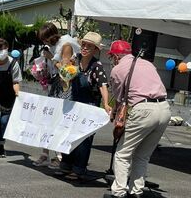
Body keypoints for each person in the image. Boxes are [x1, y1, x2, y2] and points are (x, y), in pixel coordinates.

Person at [107, 40, 171, 198]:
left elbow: (119, 98)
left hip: (143, 110)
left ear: (115, 56)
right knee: (142, 155)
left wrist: (114, 113)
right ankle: (136, 191)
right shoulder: (148, 64)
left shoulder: (117, 69)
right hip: (164, 108)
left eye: (111, 57)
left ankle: (119, 192)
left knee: (123, 153)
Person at [59, 31, 112, 178]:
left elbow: (103, 85)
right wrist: (65, 74)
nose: (85, 48)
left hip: (90, 105)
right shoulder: (76, 58)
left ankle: (78, 169)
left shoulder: (97, 65)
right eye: (84, 45)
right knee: (68, 133)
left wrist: (106, 103)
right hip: (74, 103)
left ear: (95, 49)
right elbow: (66, 71)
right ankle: (65, 165)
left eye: (89, 46)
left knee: (83, 139)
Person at [32, 22, 80, 167]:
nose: (44, 42)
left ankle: (60, 156)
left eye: (45, 39)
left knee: (60, 120)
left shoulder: (66, 45)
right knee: (48, 119)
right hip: (55, 85)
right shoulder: (55, 46)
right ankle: (46, 154)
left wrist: (52, 57)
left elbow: (66, 71)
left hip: (65, 87)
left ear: (51, 36)